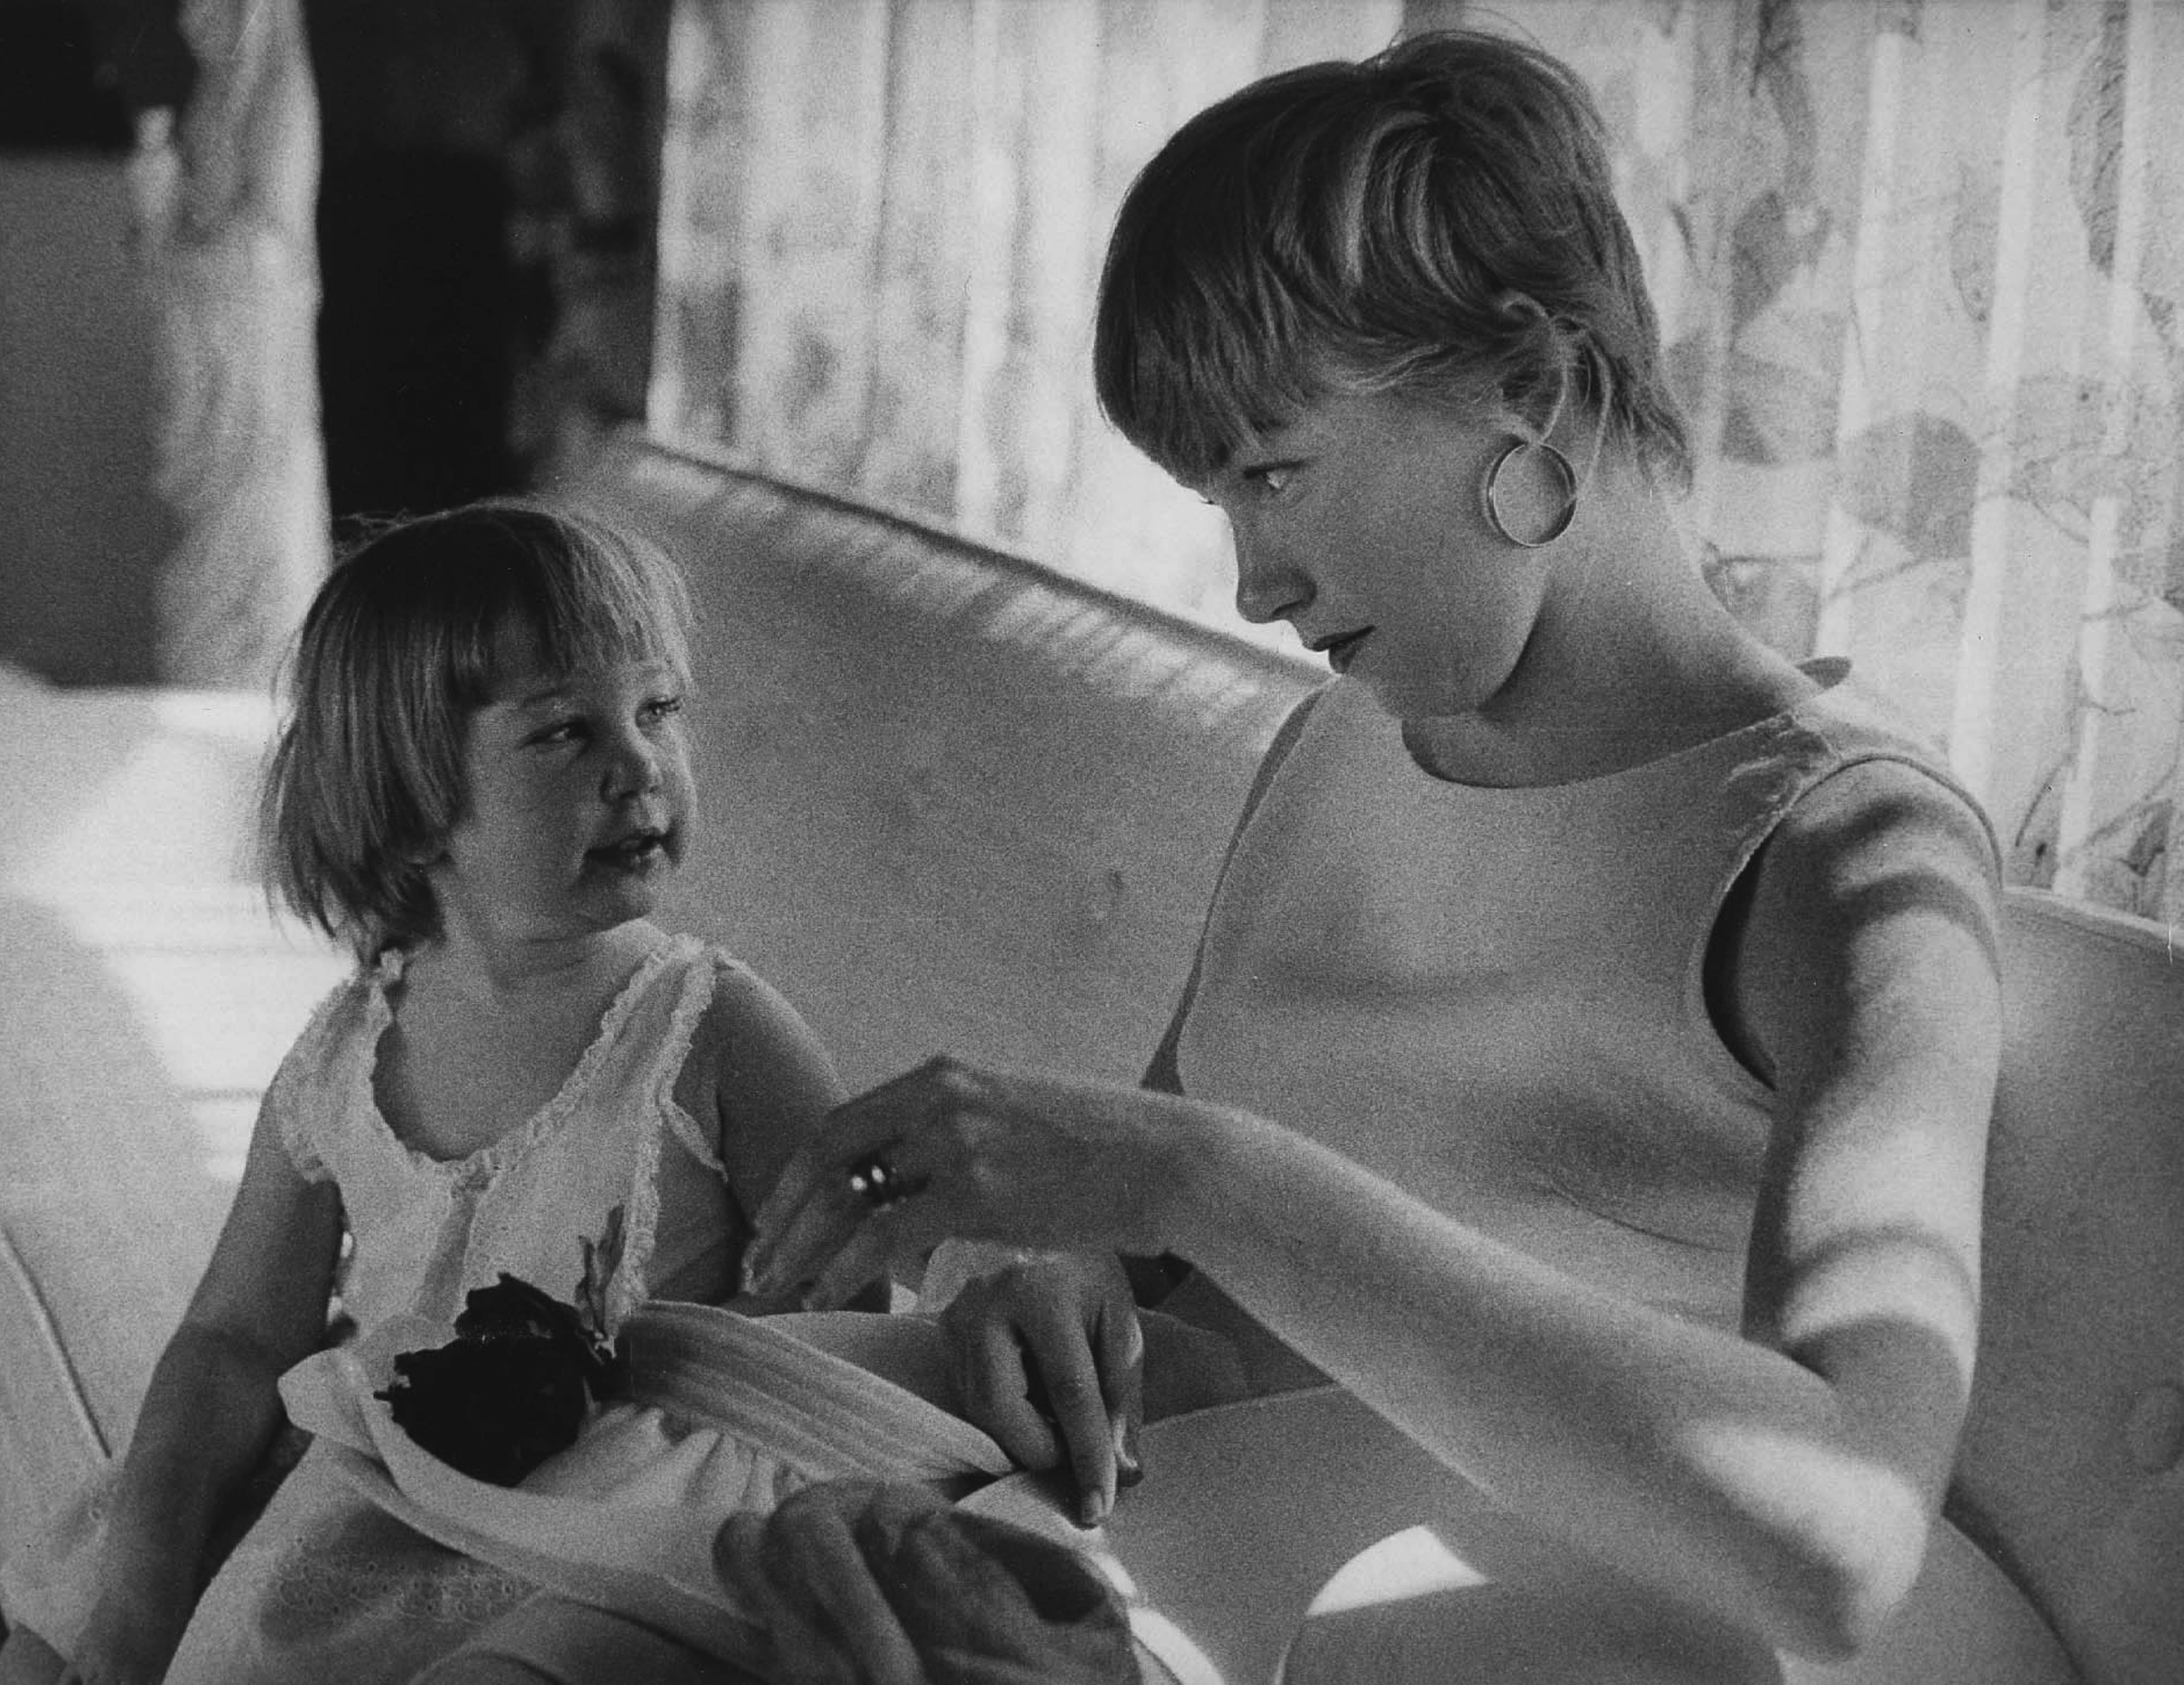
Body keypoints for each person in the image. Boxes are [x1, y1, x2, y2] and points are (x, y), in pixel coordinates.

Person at [742, 27, 2003, 1677]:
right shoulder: (1335, 745)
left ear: (1531, 394)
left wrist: (1198, 1178)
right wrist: (1066, 1303)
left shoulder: (1847, 852)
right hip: (1255, 1562)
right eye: (1222, 495)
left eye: (1274, 471)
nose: (1253, 583)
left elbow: (1840, 1542)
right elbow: (1156, 1250)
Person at [0, 500, 846, 1684]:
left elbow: (856, 1297)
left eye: (655, 711)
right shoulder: (347, 1055)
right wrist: (143, 1582)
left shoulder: (706, 1029)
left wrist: (645, 1377)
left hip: (587, 1529)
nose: (638, 764)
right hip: (382, 1480)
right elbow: (237, 1338)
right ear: (413, 804)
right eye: (562, 733)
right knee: (47, 1652)